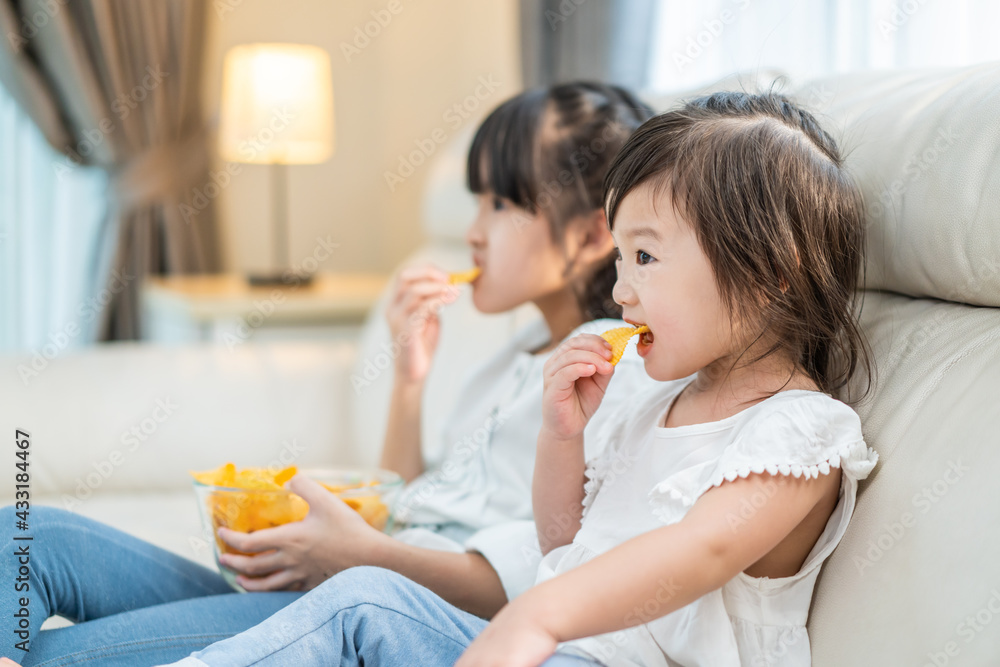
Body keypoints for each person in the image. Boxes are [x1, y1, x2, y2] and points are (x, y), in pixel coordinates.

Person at [155, 91, 880, 667]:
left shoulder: (800, 432)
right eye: (620, 261)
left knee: (363, 604)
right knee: (365, 599)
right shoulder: (653, 394)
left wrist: (536, 614)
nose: (622, 292)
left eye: (647, 259)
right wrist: (562, 438)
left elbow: (701, 551)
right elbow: (563, 540)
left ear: (769, 276)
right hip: (562, 647)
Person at [0, 82, 655, 666]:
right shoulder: (514, 356)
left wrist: (359, 557)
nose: (473, 230)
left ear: (595, 235)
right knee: (31, 535)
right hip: (346, 576)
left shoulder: (597, 369)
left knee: (56, 654)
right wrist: (408, 379)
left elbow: (537, 573)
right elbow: (410, 506)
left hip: (389, 606)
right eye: (474, 200)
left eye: (502, 204)